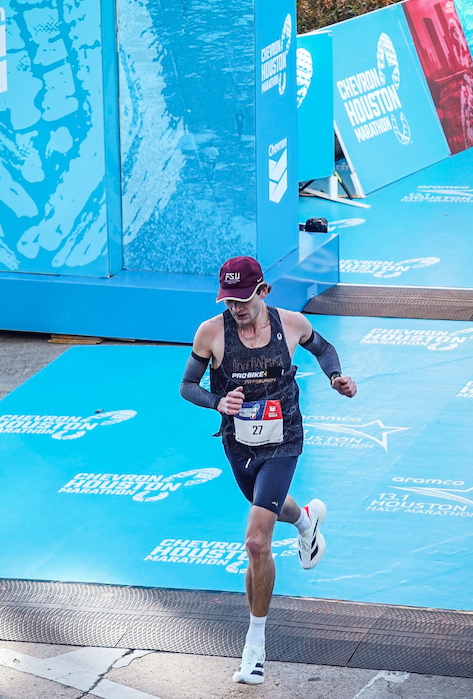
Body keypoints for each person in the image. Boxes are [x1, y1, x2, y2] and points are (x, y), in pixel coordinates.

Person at [179, 256, 358, 685]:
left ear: (264, 292)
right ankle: (306, 518)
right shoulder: (211, 332)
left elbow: (324, 349)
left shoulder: (291, 324)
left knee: (257, 541)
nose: (236, 308)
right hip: (238, 444)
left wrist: (335, 377)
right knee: (269, 506)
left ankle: (255, 646)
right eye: (228, 300)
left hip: (284, 440)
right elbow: (187, 386)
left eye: (243, 299)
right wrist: (217, 402)